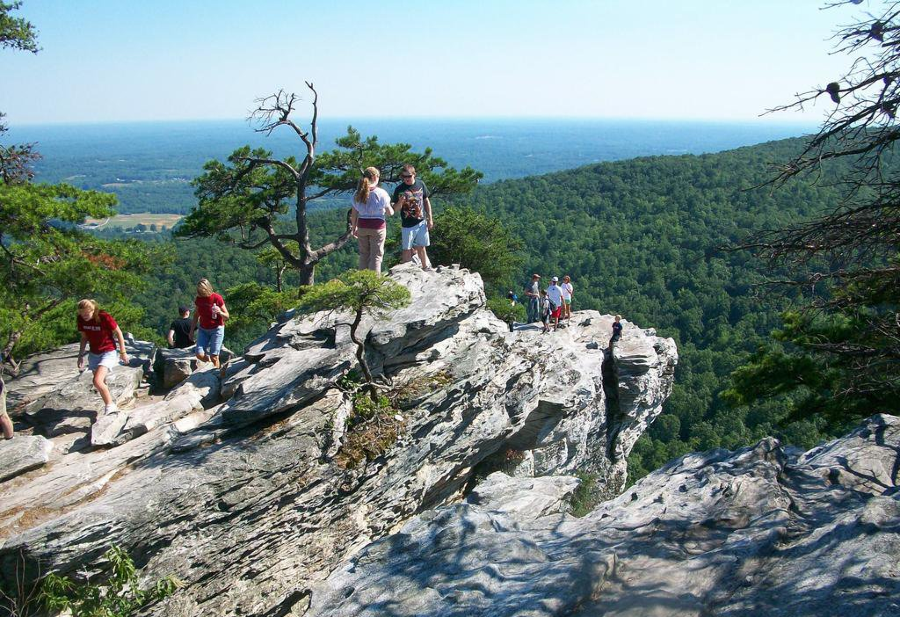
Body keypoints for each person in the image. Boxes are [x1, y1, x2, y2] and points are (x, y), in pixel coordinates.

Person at [76, 299, 129, 414]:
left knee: (97, 381)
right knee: (101, 382)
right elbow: (84, 337)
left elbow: (118, 332)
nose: (84, 316)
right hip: (94, 353)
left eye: (87, 313)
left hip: (108, 351)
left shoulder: (104, 317)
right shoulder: (80, 319)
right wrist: (80, 355)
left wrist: (123, 352)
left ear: (93, 310)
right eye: (81, 313)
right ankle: (109, 402)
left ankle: (110, 406)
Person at [351, 167, 394, 274]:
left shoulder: (357, 193)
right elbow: (390, 213)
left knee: (364, 255)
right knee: (376, 256)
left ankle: (362, 281)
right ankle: (374, 283)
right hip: (377, 227)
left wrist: (354, 227)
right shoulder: (381, 193)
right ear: (375, 177)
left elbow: (354, 213)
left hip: (362, 226)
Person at [392, 164, 433, 270]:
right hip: (407, 225)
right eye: (404, 177)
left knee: (421, 246)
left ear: (414, 175)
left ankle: (425, 267)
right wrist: (400, 202)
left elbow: (426, 200)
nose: (406, 179)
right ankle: (407, 271)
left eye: (409, 176)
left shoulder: (420, 184)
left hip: (421, 221)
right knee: (407, 249)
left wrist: (430, 218)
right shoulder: (399, 189)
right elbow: (394, 209)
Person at [191, 278, 230, 368]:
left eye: (202, 290)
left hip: (217, 329)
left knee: (214, 356)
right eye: (199, 290)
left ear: (207, 288)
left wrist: (219, 312)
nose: (200, 292)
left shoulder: (217, 298)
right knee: (199, 354)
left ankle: (216, 372)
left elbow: (227, 316)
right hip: (203, 329)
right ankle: (210, 363)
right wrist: (191, 331)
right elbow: (196, 315)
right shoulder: (199, 299)